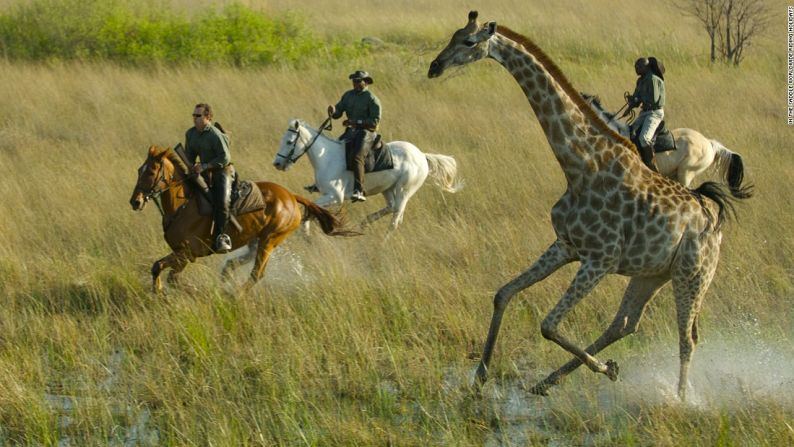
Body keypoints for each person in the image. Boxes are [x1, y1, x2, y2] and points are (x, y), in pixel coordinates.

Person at [326, 70, 382, 202]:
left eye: (358, 81)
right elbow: (338, 111)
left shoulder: (372, 99)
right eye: (354, 81)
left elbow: (374, 123)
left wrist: (355, 122)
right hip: (351, 132)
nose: (355, 83)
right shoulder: (348, 95)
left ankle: (359, 190)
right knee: (333, 151)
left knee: (357, 157)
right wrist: (333, 110)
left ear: (366, 82)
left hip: (367, 133)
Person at [185, 103, 234, 253]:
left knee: (222, 202)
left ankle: (221, 237)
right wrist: (189, 166)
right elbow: (190, 156)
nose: (194, 118)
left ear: (208, 117)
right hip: (204, 171)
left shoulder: (215, 135)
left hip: (222, 170)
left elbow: (225, 158)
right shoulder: (191, 134)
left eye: (198, 116)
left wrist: (205, 166)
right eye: (193, 115)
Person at [626, 57, 665, 172]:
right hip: (644, 112)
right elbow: (637, 99)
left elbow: (653, 99)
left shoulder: (652, 79)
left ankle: (651, 165)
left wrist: (638, 98)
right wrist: (632, 102)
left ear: (646, 67)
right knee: (629, 133)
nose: (636, 69)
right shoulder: (640, 80)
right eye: (635, 67)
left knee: (644, 139)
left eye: (639, 66)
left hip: (654, 113)